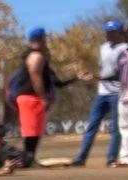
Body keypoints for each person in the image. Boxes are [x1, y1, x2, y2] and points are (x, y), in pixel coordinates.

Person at [9, 29, 89, 166]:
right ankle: (27, 159)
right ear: (42, 39)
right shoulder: (35, 56)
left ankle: (30, 158)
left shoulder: (39, 59)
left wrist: (76, 78)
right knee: (31, 131)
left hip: (30, 97)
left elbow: (57, 83)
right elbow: (35, 75)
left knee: (34, 130)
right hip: (30, 97)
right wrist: (43, 98)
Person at [72, 21, 126, 166]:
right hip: (102, 93)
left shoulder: (125, 48)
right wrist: (92, 78)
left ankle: (111, 158)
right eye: (106, 31)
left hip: (117, 92)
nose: (107, 34)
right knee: (91, 126)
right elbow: (103, 69)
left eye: (111, 31)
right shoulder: (103, 48)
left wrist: (99, 77)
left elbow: (120, 73)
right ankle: (80, 158)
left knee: (115, 128)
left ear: (119, 33)